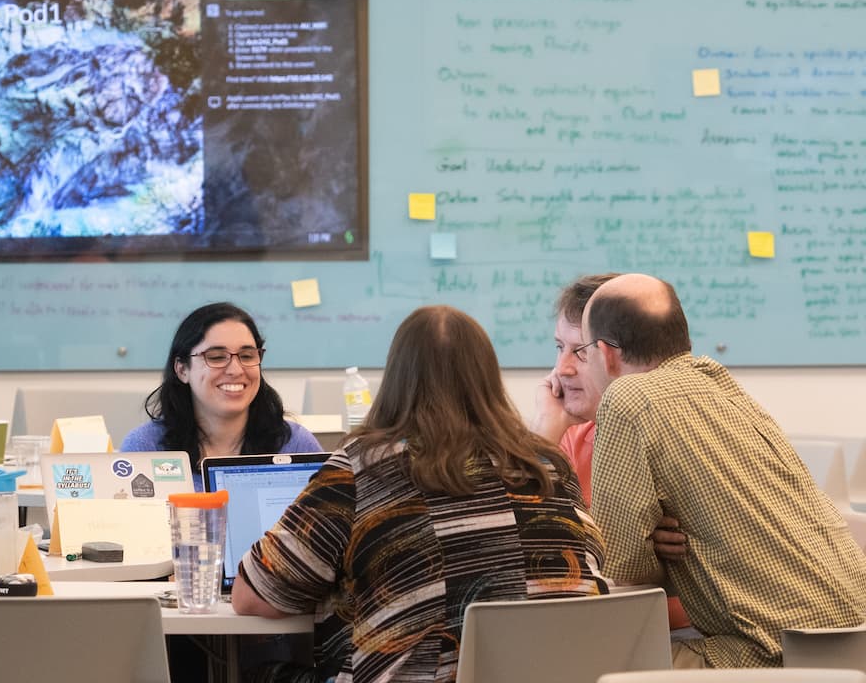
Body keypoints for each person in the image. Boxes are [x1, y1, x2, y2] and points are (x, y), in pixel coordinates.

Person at [233, 305, 608, 682]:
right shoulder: (551, 466)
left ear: (397, 378)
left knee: (256, 672)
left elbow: (254, 596)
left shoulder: (363, 468)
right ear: (489, 378)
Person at [576, 273, 866, 668]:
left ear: (606, 354)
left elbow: (623, 569)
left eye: (581, 351)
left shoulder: (627, 398)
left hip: (772, 654)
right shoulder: (720, 382)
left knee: (591, 663)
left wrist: (652, 548)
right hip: (852, 644)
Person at [531, 273, 694, 633]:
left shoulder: (669, 433)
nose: (563, 368)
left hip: (669, 628)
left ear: (612, 358)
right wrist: (547, 427)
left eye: (579, 351)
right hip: (593, 623)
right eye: (559, 348)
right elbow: (521, 537)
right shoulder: (573, 434)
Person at [123, 302, 322, 490]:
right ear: (182, 370)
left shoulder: (296, 445)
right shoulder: (145, 447)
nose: (236, 370)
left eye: (247, 356)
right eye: (216, 357)